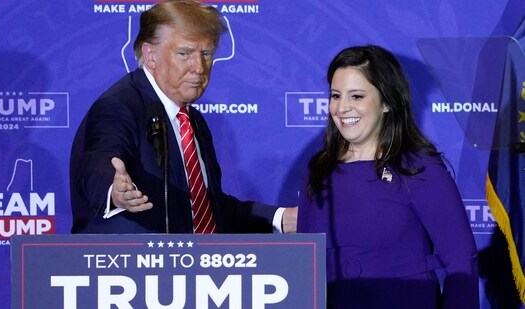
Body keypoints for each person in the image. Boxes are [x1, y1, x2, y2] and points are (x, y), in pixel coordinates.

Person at [70, 0, 296, 234]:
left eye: (206, 53)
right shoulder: (119, 106)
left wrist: (282, 219)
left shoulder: (190, 119)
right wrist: (114, 191)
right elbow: (100, 161)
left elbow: (204, 211)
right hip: (130, 265)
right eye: (184, 53)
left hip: (190, 265)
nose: (199, 67)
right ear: (150, 56)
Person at [297, 45, 478, 308]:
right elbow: (305, 266)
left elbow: (461, 258)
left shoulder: (417, 167)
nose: (342, 108)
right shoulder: (319, 169)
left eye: (356, 96)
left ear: (386, 102)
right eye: (336, 96)